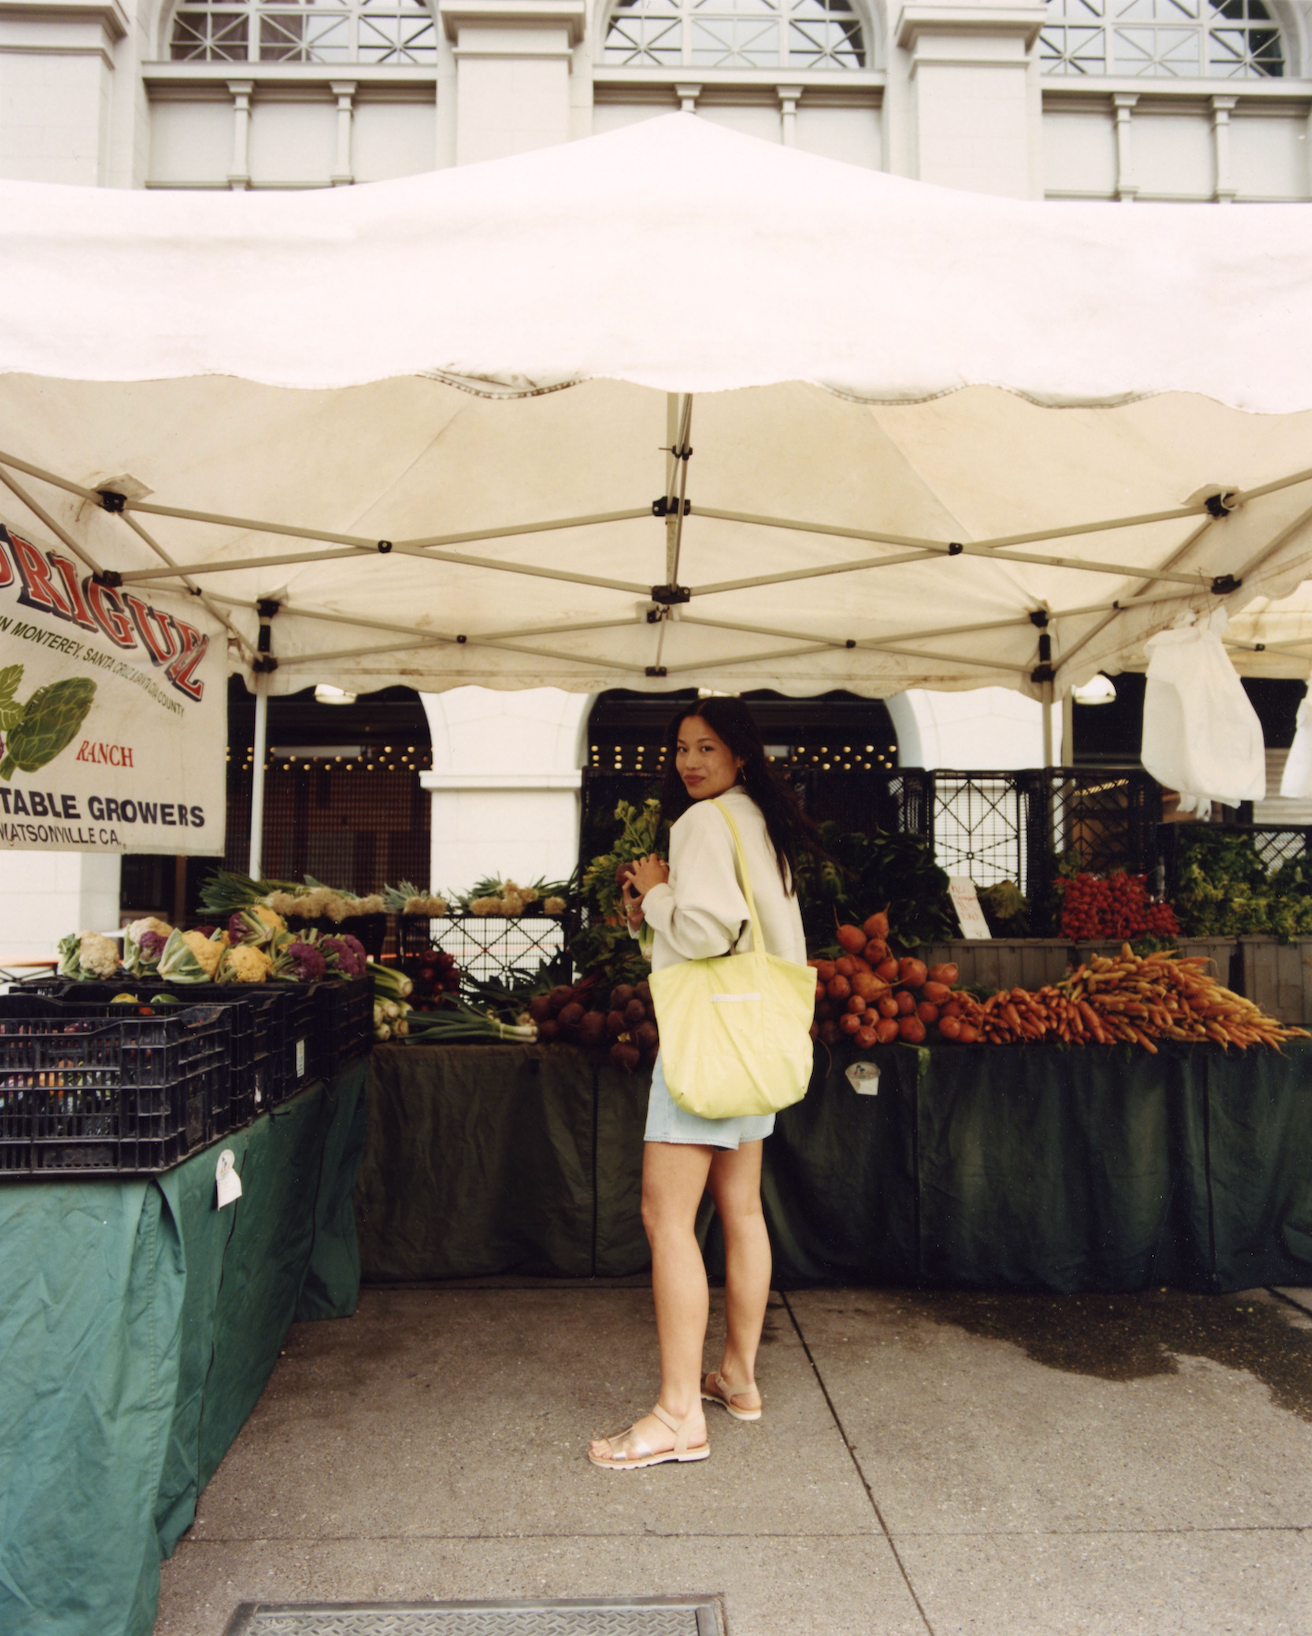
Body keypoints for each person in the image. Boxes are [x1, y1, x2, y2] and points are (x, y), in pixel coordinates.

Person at [588, 696, 816, 1471]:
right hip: (755, 1040)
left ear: (740, 755)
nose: (690, 761)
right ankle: (740, 1380)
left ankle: (679, 1413)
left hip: (708, 1044)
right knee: (742, 1208)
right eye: (682, 747)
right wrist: (654, 905)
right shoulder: (758, 822)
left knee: (665, 1217)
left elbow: (710, 930)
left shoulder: (702, 824)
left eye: (707, 747)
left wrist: (655, 891)